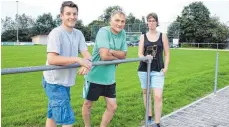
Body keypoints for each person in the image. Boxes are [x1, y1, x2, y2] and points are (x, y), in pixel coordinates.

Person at [42, 1, 92, 127]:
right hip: (54, 82)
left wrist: (87, 64)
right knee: (67, 119)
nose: (72, 16)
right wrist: (77, 59)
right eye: (68, 13)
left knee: (52, 114)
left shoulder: (78, 34)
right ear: (61, 16)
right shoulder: (56, 33)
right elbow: (52, 59)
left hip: (65, 81)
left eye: (74, 14)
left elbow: (86, 54)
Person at [82, 10, 128, 127]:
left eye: (122, 21)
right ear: (110, 21)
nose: (120, 24)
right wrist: (116, 57)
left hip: (109, 78)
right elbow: (104, 56)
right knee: (88, 104)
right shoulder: (104, 32)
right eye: (117, 20)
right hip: (95, 76)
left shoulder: (123, 33)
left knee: (112, 107)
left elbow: (124, 55)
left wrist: (111, 51)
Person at [137, 12, 170, 127]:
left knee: (157, 96)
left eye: (153, 20)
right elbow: (140, 54)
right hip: (144, 69)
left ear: (157, 22)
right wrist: (145, 58)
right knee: (146, 93)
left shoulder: (163, 36)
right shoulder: (143, 37)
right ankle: (149, 115)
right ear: (147, 23)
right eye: (149, 20)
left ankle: (157, 122)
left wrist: (165, 67)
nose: (151, 22)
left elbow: (167, 54)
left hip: (157, 70)